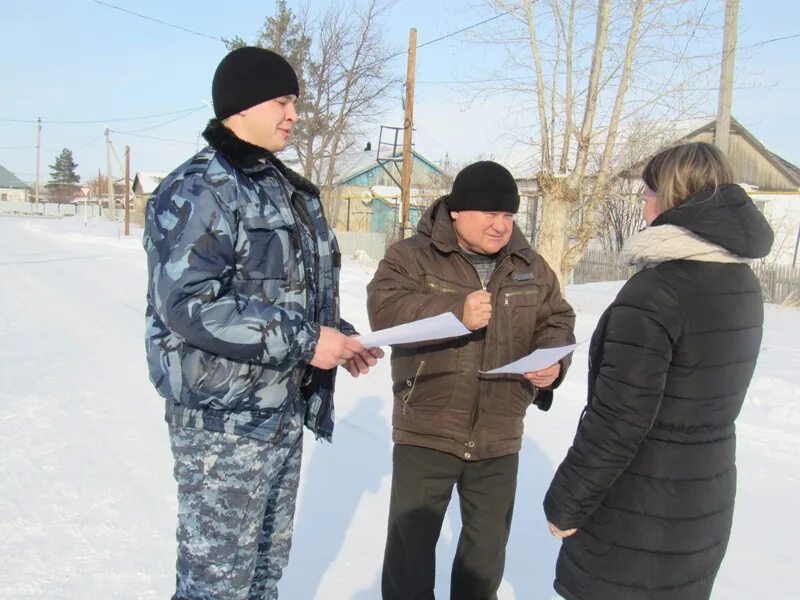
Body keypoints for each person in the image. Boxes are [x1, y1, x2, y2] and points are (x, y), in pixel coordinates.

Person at [142, 46, 382, 600]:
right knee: (215, 585)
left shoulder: (280, 187)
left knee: (262, 576)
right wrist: (305, 341)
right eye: (281, 100)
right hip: (222, 422)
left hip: (278, 410)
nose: (293, 113)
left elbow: (285, 293)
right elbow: (190, 304)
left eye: (294, 100)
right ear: (241, 106)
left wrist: (336, 338)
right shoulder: (199, 188)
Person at [543, 142, 775, 600]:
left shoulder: (656, 292)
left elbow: (619, 420)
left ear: (671, 198)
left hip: (638, 512)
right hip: (703, 500)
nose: (643, 203)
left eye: (648, 192)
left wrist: (566, 502)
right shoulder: (741, 281)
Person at [366, 160, 576, 600]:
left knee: (484, 559)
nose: (500, 226)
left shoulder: (530, 266)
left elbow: (557, 319)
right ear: (457, 211)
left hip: (499, 433)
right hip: (428, 428)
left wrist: (552, 368)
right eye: (489, 214)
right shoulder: (410, 257)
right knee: (410, 558)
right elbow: (384, 311)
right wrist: (454, 312)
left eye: (508, 215)